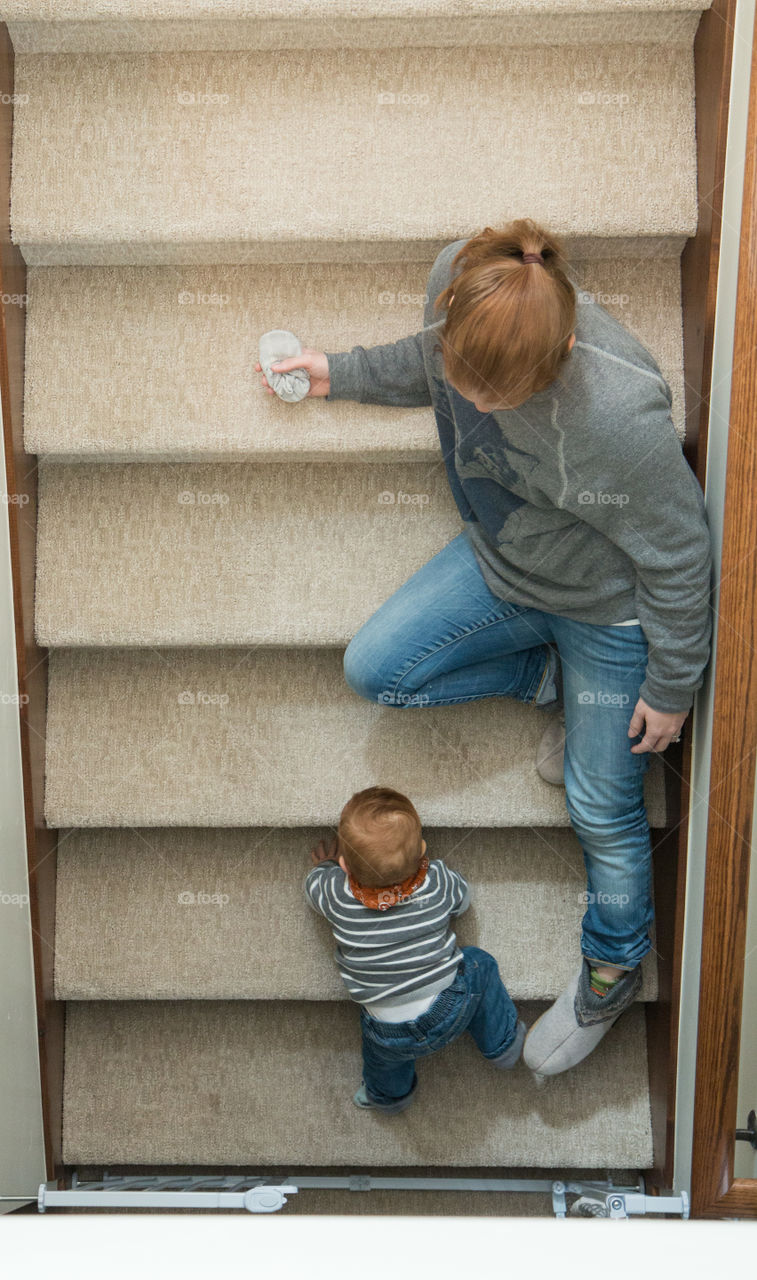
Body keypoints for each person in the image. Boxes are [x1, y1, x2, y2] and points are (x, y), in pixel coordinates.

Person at [257, 217, 713, 1076]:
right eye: (460, 377)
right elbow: (422, 361)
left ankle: (610, 974)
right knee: (376, 670)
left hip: (607, 607)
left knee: (601, 811)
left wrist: (671, 686)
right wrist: (339, 373)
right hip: (503, 563)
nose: (470, 404)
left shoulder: (617, 419)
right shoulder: (456, 281)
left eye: (495, 397)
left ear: (562, 353)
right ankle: (553, 683)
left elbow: (682, 556)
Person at [304, 786, 525, 1112]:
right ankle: (503, 1043)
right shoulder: (434, 881)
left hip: (386, 1030)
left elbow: (311, 890)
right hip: (450, 1007)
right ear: (422, 850)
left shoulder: (336, 894)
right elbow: (463, 900)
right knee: (479, 963)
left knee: (381, 1062)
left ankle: (387, 1097)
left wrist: (324, 868)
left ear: (345, 867)